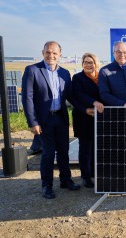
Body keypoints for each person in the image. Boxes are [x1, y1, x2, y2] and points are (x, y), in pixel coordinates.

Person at [21, 41, 80, 199]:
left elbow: (70, 96)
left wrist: (87, 107)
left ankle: (65, 180)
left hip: (60, 118)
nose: (51, 55)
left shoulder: (65, 73)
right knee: (47, 153)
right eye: (48, 52)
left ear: (60, 54)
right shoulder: (32, 70)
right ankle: (46, 185)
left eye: (54, 53)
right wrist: (32, 122)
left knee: (63, 152)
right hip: (43, 121)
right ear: (43, 53)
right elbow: (27, 98)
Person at [71, 53, 104, 188]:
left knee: (96, 147)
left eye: (91, 62)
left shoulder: (101, 77)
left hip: (99, 117)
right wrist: (91, 103)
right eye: (86, 62)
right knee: (85, 148)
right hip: (83, 116)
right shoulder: (78, 78)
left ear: (96, 63)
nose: (89, 65)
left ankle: (94, 173)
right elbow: (77, 95)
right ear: (82, 64)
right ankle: (85, 176)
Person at [98, 41, 126, 107]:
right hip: (114, 112)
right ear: (113, 53)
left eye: (125, 52)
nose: (122, 55)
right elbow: (104, 94)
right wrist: (122, 103)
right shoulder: (104, 71)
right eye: (118, 52)